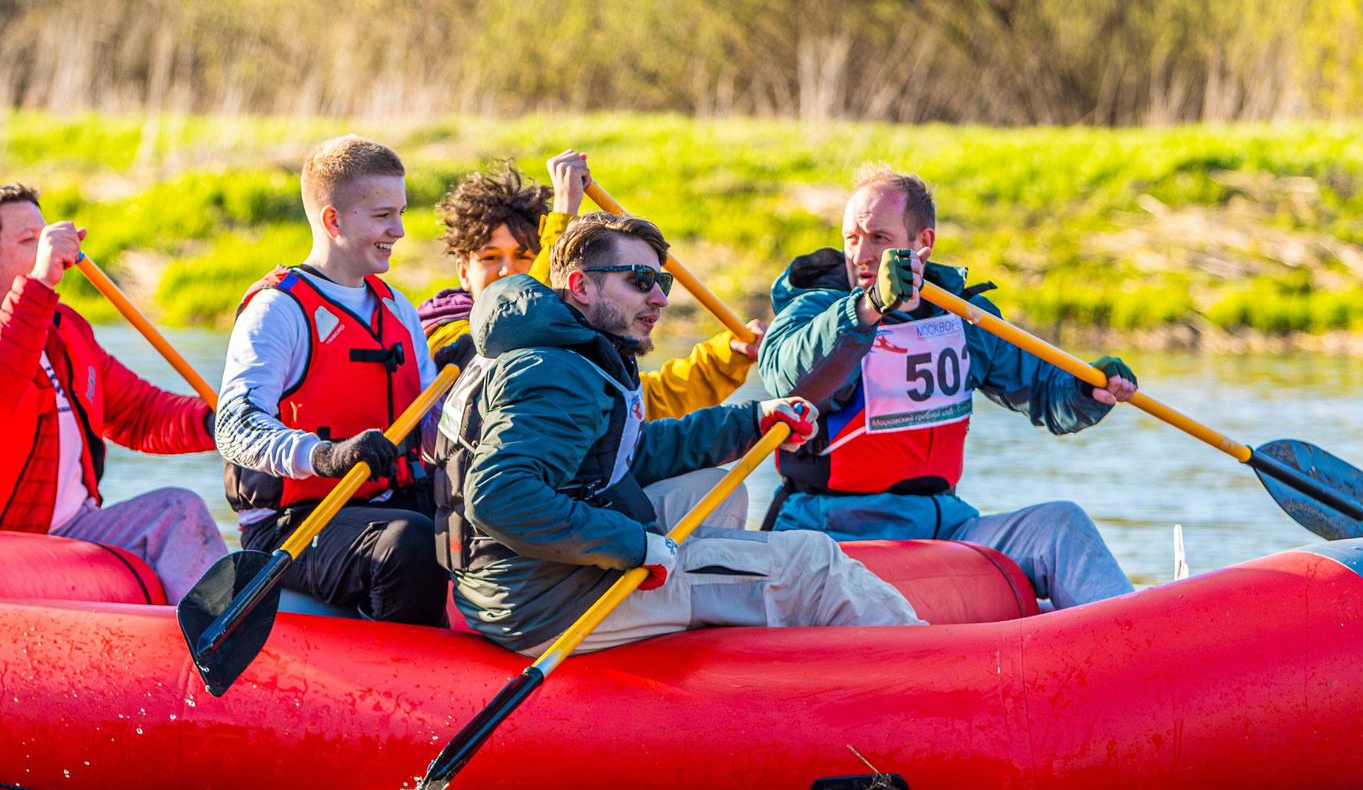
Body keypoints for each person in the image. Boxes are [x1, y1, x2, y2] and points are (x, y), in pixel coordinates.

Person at [438, 212, 923, 653]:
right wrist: (635, 546)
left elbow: (622, 454)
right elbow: (500, 497)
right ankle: (930, 672)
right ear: (580, 286)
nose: (661, 298)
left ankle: (718, 626)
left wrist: (752, 421)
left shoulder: (566, 345)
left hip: (529, 579)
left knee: (714, 489)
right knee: (811, 563)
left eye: (661, 280)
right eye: (640, 280)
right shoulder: (556, 369)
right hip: (548, 602)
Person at [757, 164, 1139, 609]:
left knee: (1062, 525)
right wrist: (868, 308)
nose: (860, 254)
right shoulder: (815, 308)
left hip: (943, 530)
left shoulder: (960, 314)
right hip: (833, 536)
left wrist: (1084, 389)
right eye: (852, 238)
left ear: (923, 244)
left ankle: (1136, 654)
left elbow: (1045, 391)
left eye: (879, 238)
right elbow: (789, 377)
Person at [0, 183, 226, 601]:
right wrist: (39, 282)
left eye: (45, 235)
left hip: (64, 531)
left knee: (180, 510)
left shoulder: (61, 326)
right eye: (30, 241)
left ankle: (224, 647)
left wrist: (221, 422)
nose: (53, 251)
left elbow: (137, 412)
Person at [215, 135, 446, 626]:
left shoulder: (397, 309)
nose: (399, 230)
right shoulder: (278, 310)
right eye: (383, 215)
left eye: (401, 213)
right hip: (295, 525)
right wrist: (326, 456)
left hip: (383, 501)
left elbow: (432, 432)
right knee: (411, 542)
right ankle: (407, 685)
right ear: (332, 220)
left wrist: (480, 388)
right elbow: (234, 428)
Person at [416, 153, 762, 422]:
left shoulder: (570, 337)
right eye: (491, 258)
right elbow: (517, 323)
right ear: (463, 271)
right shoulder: (443, 334)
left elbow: (641, 403)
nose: (508, 271)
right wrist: (565, 210)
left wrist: (725, 357)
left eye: (524, 257)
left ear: (544, 262)